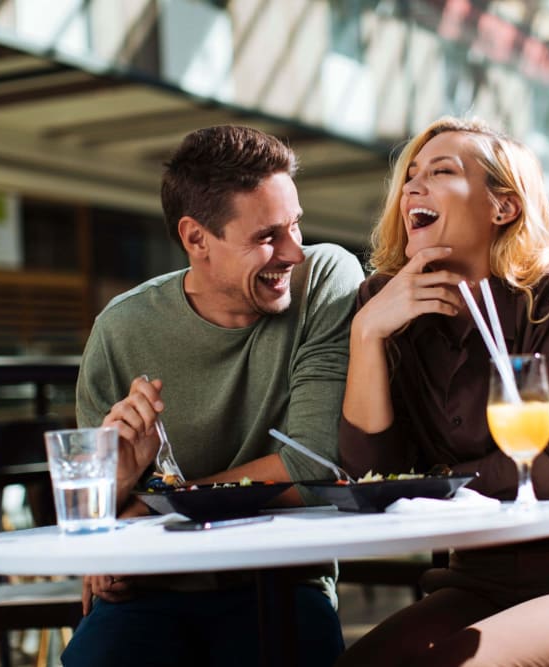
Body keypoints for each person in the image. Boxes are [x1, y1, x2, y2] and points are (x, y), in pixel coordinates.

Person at [336, 117, 549, 666]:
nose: (412, 188)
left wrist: (435, 485)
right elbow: (374, 476)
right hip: (477, 584)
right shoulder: (387, 304)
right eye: (411, 175)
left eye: (441, 171)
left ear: (503, 207)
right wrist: (367, 334)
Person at [62, 125, 365, 667]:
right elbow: (98, 512)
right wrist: (120, 483)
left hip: (280, 580)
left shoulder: (324, 280)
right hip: (150, 589)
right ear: (197, 239)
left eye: (295, 224)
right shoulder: (120, 329)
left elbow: (314, 467)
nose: (294, 251)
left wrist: (157, 509)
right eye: (268, 236)